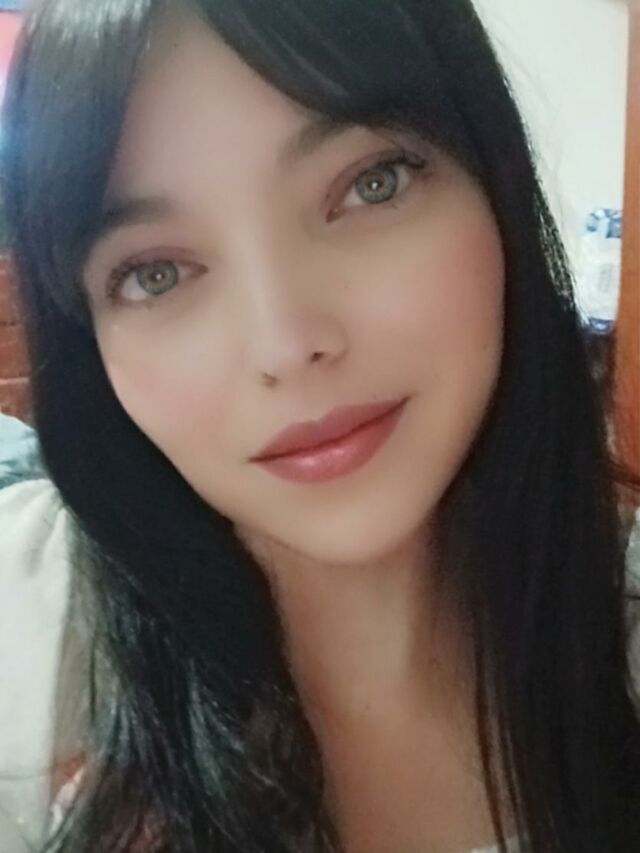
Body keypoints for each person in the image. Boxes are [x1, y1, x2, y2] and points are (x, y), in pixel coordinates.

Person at [0, 1, 639, 851]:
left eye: (371, 184)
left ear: (494, 181)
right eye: (155, 273)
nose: (286, 344)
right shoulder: (30, 641)